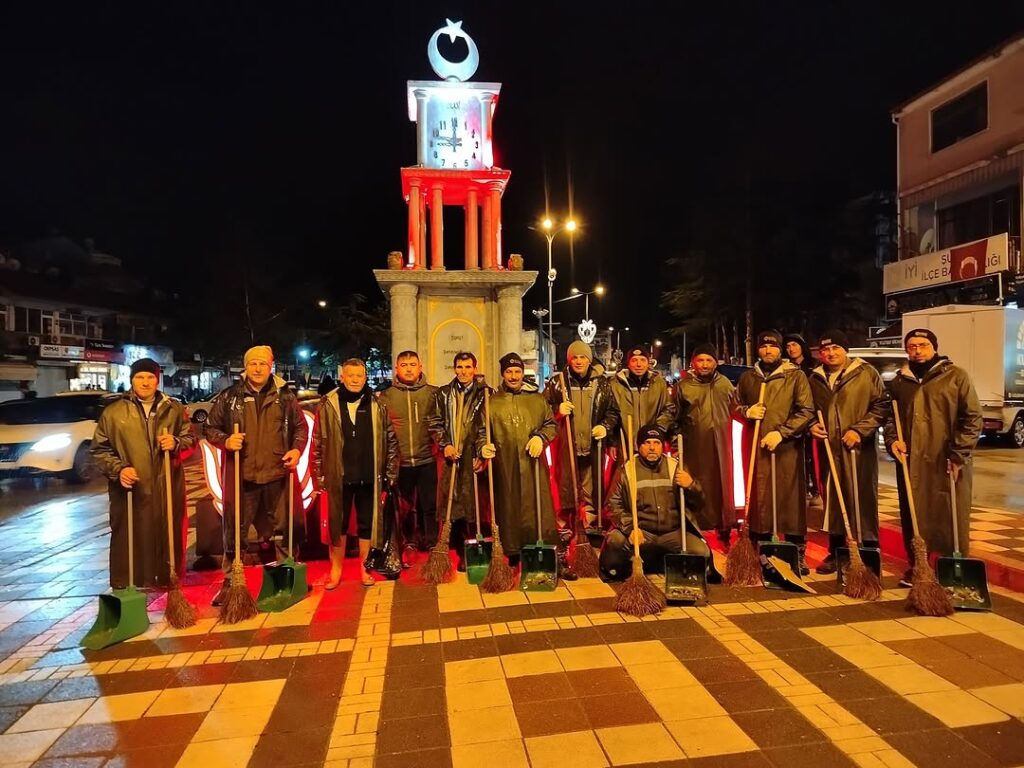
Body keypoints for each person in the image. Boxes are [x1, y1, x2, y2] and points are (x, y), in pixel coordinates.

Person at [204, 345, 308, 605]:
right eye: (253, 364)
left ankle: (287, 576)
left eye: (262, 364)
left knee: (285, 530)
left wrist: (296, 450)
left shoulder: (285, 397)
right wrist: (226, 441)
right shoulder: (230, 397)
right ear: (245, 367)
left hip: (278, 474)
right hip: (243, 476)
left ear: (271, 366)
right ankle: (231, 584)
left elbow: (300, 428)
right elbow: (210, 428)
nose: (258, 368)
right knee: (235, 532)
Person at [884, 328, 982, 587]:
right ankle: (918, 565)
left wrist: (959, 453)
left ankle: (950, 565)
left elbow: (972, 417)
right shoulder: (900, 382)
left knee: (950, 513)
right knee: (914, 512)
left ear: (934, 347)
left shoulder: (955, 376)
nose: (917, 350)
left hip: (946, 459)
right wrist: (893, 440)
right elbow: (889, 418)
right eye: (912, 345)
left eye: (923, 345)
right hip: (911, 460)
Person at [92, 358, 195, 589]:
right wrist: (119, 470)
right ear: (132, 380)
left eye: (150, 377)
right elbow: (99, 449)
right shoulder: (114, 413)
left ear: (157, 380)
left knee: (168, 531)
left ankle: (169, 578)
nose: (145, 382)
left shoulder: (174, 409)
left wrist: (176, 442)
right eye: (140, 377)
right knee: (130, 534)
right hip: (131, 489)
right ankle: (131, 582)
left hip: (167, 485)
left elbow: (191, 440)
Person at [733, 330, 815, 574]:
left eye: (773, 347)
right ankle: (763, 550)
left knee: (790, 498)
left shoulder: (795, 377)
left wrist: (782, 432)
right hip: (756, 447)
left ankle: (796, 550)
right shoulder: (749, 377)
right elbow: (734, 405)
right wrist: (747, 411)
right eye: (763, 347)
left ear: (780, 350)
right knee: (760, 497)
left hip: (787, 448)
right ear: (758, 350)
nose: (768, 350)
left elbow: (806, 410)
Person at [313, 358, 400, 587]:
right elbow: (317, 443)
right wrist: (318, 474)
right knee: (337, 525)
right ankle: (336, 570)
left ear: (365, 377)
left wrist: (391, 473)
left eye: (359, 376)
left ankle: (364, 568)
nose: (355, 380)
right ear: (342, 377)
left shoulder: (377, 404)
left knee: (366, 524)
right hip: (338, 475)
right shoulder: (328, 404)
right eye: (350, 375)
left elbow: (390, 440)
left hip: (369, 474)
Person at [807, 330, 888, 574]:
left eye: (836, 349)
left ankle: (868, 550)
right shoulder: (816, 378)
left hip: (857, 448)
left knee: (862, 496)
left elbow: (882, 406)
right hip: (828, 448)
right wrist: (812, 424)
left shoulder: (866, 373)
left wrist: (860, 430)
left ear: (845, 350)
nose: (830, 354)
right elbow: (806, 407)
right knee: (834, 499)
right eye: (825, 350)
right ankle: (837, 551)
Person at [478, 353, 560, 567]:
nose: (513, 376)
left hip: (532, 464)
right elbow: (481, 431)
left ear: (523, 373)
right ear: (503, 374)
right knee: (508, 506)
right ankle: (511, 549)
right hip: (504, 465)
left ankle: (539, 545)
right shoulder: (492, 402)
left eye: (517, 371)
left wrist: (541, 438)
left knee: (536, 506)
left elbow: (551, 424)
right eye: (509, 372)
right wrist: (482, 447)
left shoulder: (537, 399)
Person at [600, 423, 710, 580]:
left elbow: (699, 504)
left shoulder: (676, 467)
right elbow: (612, 505)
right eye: (647, 443)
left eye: (656, 443)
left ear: (662, 446)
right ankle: (622, 570)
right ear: (639, 446)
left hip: (673, 533)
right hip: (642, 532)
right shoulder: (627, 470)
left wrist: (691, 485)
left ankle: (662, 565)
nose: (652, 447)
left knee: (701, 552)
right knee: (615, 541)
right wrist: (631, 528)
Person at [544, 340, 619, 565]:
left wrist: (604, 426)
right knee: (564, 491)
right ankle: (565, 533)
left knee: (590, 492)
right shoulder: (557, 383)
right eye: (574, 357)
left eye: (582, 357)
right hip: (566, 448)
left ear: (589, 359)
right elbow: (542, 409)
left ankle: (586, 532)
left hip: (592, 449)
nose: (578, 361)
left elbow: (612, 412)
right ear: (569, 360)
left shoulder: (603, 384)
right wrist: (557, 410)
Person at [426, 352, 490, 571]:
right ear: (454, 368)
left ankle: (475, 551)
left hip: (473, 456)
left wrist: (482, 453)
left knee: (475, 506)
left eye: (467, 367)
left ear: (475, 368)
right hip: (452, 458)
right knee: (453, 505)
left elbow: (486, 427)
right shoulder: (443, 394)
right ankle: (459, 550)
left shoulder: (485, 394)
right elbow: (434, 422)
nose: (463, 371)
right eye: (459, 367)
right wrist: (446, 445)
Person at [672, 344, 736, 551]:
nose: (705, 364)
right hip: (694, 446)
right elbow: (674, 417)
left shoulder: (725, 384)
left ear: (716, 363)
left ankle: (724, 530)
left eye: (709, 360)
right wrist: (676, 443)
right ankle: (695, 530)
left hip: (722, 445)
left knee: (722, 488)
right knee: (696, 486)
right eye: (701, 360)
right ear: (693, 363)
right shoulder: (683, 386)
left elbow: (736, 409)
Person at [378, 350, 440, 556]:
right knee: (404, 506)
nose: (408, 368)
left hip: (427, 458)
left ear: (420, 367)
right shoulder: (386, 397)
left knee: (429, 504)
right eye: (404, 365)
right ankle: (409, 539)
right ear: (397, 369)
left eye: (412, 364)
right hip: (401, 461)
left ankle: (430, 539)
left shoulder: (433, 393)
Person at [610, 346, 676, 457]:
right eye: (634, 360)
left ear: (648, 363)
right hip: (625, 444)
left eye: (642, 360)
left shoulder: (658, 383)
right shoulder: (616, 384)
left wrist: (657, 430)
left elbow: (668, 409)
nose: (639, 364)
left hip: (652, 445)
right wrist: (612, 442)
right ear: (628, 363)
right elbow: (611, 413)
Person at [785, 331, 821, 503]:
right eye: (788, 346)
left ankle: (816, 490)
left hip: (813, 417)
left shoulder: (814, 367)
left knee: (813, 455)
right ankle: (802, 488)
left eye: (794, 345)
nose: (791, 349)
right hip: (793, 418)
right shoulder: (785, 369)